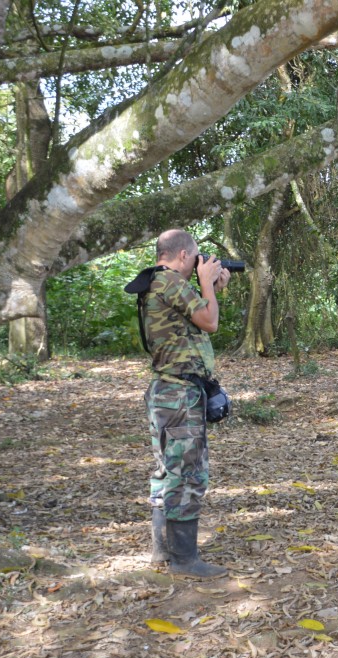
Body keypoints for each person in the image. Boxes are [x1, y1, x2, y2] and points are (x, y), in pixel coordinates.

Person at [143, 229, 231, 579]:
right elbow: (210, 322)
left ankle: (162, 550)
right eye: (196, 259)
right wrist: (205, 282)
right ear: (183, 256)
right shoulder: (169, 282)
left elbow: (195, 319)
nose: (199, 264)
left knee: (168, 470)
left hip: (168, 392)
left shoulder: (160, 284)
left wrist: (213, 288)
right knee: (187, 472)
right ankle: (184, 558)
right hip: (178, 395)